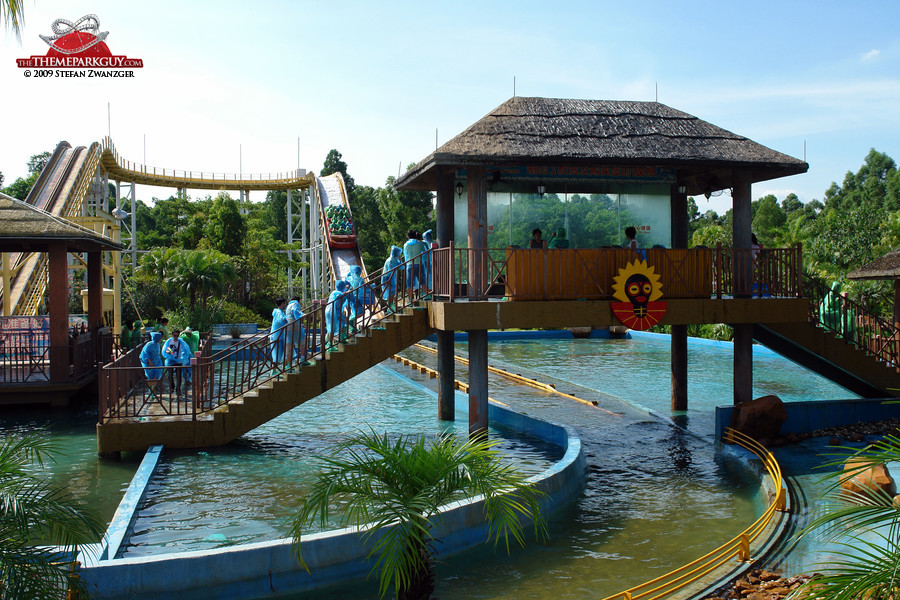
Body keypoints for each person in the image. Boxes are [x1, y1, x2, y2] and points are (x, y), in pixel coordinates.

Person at [163, 329, 192, 395]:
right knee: (170, 375)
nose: (175, 337)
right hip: (170, 360)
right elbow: (165, 350)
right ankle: (171, 387)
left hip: (178, 360)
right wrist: (169, 352)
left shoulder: (181, 342)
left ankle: (178, 389)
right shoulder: (169, 341)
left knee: (178, 375)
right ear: (172, 335)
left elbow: (186, 350)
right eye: (174, 335)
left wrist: (184, 357)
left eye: (177, 336)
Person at [403, 230, 427, 301]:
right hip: (419, 264)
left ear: (408, 236)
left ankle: (410, 299)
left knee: (409, 283)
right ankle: (425, 296)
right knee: (423, 281)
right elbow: (425, 251)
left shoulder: (406, 245)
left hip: (410, 265)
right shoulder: (419, 244)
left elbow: (405, 255)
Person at [324, 281, 349, 349]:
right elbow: (340, 295)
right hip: (334, 311)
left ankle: (334, 340)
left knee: (340, 323)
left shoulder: (333, 292)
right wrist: (346, 292)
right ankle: (332, 343)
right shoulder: (338, 293)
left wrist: (346, 291)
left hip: (329, 311)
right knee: (339, 324)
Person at [284, 296, 308, 366]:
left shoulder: (288, 306)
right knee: (303, 342)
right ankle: (303, 359)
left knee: (289, 345)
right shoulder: (295, 304)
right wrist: (302, 315)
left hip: (288, 326)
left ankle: (288, 365)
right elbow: (295, 312)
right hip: (295, 326)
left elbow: (290, 316)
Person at [269, 299, 288, 364]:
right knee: (276, 356)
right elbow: (282, 320)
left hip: (279, 336)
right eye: (285, 303)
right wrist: (290, 318)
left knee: (281, 354)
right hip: (277, 337)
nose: (285, 305)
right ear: (282, 303)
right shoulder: (278, 312)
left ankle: (285, 368)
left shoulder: (280, 312)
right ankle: (274, 371)